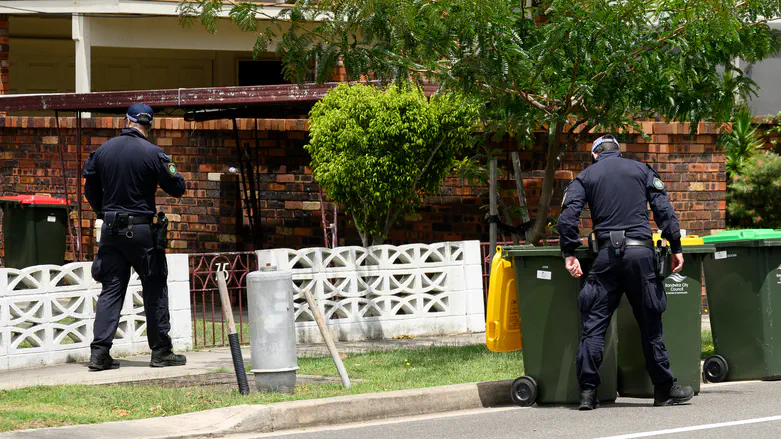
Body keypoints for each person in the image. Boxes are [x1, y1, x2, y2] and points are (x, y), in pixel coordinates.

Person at [558, 134, 694, 410]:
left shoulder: (585, 177)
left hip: (606, 256)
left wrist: (569, 253)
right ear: (618, 152)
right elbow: (663, 210)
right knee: (650, 325)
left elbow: (568, 216)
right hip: (640, 255)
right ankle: (664, 391)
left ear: (595, 154)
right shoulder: (641, 170)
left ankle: (587, 394)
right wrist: (676, 245)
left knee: (594, 326)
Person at [83, 103, 187, 371]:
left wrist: (103, 212)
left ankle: (99, 354)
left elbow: (90, 190)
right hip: (142, 233)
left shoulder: (102, 151)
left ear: (125, 121)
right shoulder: (153, 153)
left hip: (110, 231)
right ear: (149, 125)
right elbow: (177, 188)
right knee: (154, 287)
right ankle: (161, 351)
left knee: (112, 289)